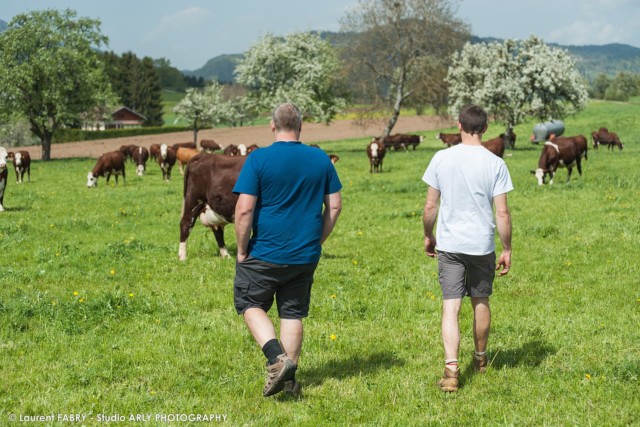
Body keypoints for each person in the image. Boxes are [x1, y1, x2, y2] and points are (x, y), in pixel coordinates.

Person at [233, 102, 343, 397]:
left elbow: (244, 210)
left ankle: (275, 359)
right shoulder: (321, 159)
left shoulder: (258, 159)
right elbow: (334, 206)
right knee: (292, 313)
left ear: (272, 125)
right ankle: (291, 382)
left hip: (265, 252)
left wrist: (241, 250)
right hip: (304, 255)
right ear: (301, 126)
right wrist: (316, 241)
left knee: (249, 304)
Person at [422, 104, 513, 392]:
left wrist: (428, 234)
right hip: (481, 245)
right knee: (480, 301)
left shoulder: (441, 158)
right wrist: (507, 247)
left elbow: (430, 205)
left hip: (450, 244)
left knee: (451, 306)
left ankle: (451, 372)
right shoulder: (495, 163)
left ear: (459, 125)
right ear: (485, 128)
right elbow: (502, 213)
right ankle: (481, 359)